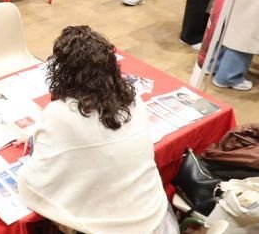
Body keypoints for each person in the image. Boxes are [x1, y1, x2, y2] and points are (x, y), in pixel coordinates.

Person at [17, 26, 178, 234]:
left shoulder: (61, 113)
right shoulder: (134, 100)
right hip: (154, 217)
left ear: (62, 72)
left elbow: (34, 182)